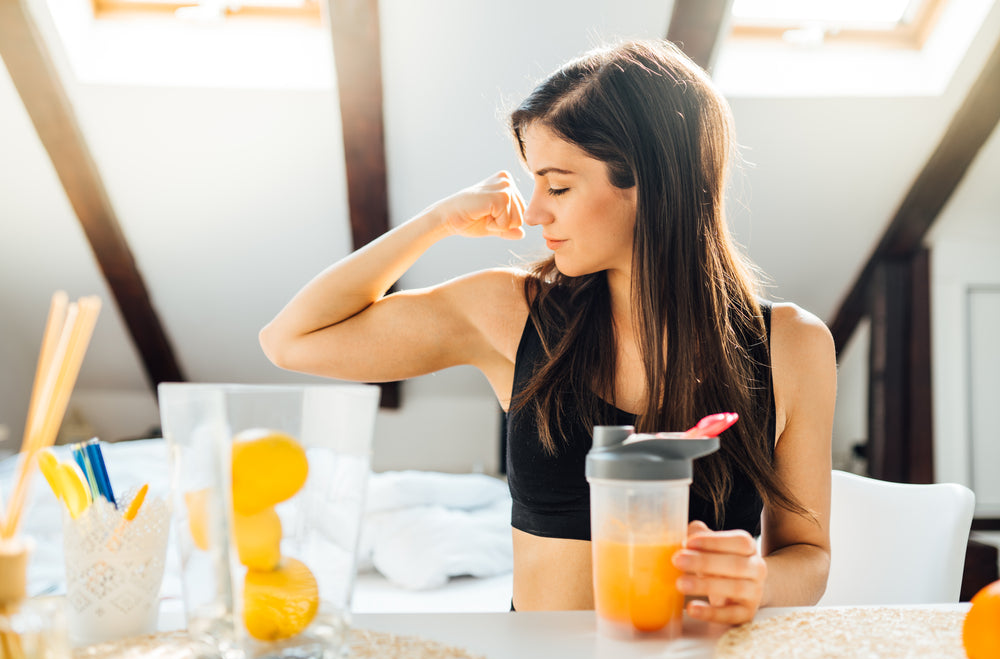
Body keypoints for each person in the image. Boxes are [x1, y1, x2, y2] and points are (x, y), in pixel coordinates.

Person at [259, 38, 835, 624]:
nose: (534, 212)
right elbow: (293, 340)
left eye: (557, 186)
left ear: (652, 184)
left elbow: (808, 557)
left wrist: (755, 580)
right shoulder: (508, 314)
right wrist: (437, 222)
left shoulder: (791, 346)